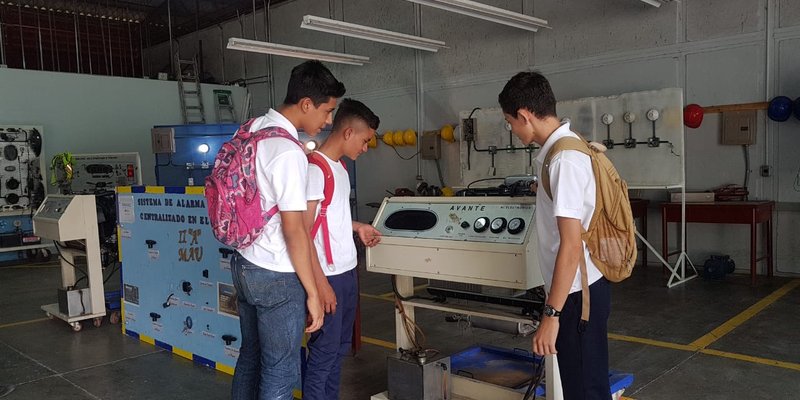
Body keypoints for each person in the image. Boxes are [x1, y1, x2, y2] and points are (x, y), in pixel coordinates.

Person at [231, 60, 345, 400]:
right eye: (327, 112)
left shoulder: (254, 128)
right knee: (280, 370)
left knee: (250, 357)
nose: (327, 122)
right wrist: (313, 291)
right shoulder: (287, 151)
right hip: (275, 274)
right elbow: (295, 231)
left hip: (243, 261)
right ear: (306, 104)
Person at [499, 71, 611, 400]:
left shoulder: (564, 159)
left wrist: (551, 315)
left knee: (585, 390)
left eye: (510, 122)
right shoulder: (562, 150)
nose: (512, 130)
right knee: (582, 384)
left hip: (578, 296)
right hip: (577, 291)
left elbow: (571, 245)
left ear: (524, 116)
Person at [302, 99, 382, 400]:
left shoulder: (340, 169)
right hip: (329, 277)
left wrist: (357, 226)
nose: (365, 148)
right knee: (323, 356)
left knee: (338, 352)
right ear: (348, 133)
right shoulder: (315, 170)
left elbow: (331, 215)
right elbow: (303, 231)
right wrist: (320, 285)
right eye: (364, 141)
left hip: (347, 273)